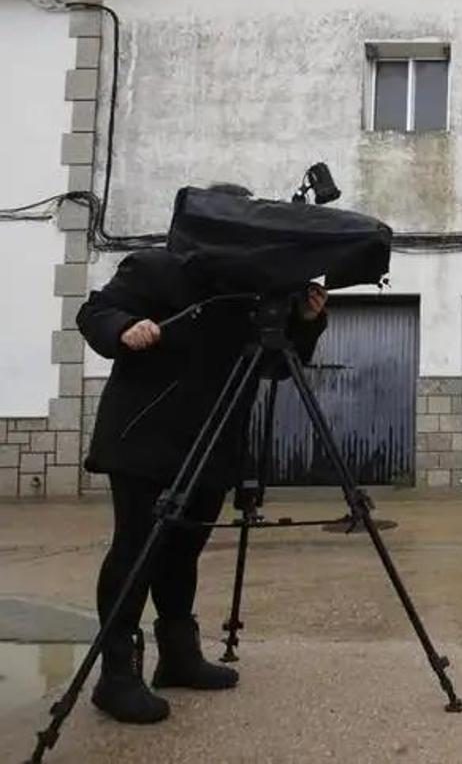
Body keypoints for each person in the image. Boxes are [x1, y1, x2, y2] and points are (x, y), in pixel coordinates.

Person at [77, 190, 328, 725]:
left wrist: (305, 322)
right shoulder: (153, 268)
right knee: (136, 549)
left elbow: (277, 368)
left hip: (213, 442)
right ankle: (117, 675)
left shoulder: (252, 290)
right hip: (145, 438)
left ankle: (178, 655)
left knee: (183, 550)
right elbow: (94, 311)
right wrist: (122, 327)